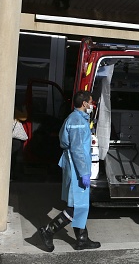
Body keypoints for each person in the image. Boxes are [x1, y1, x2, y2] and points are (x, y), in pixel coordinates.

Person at [38, 90, 100, 252]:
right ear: (85, 103)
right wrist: (84, 172)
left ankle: (82, 240)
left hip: (73, 165)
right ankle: (48, 231)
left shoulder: (75, 118)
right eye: (91, 102)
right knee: (76, 206)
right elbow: (78, 149)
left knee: (80, 204)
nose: (92, 105)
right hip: (77, 167)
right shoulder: (77, 121)